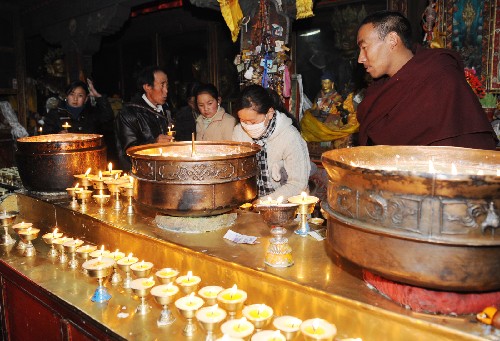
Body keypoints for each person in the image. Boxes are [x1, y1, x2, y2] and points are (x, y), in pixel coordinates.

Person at [356, 11, 497, 150]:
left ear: (392, 40)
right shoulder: (380, 88)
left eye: (364, 47)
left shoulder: (439, 75)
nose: (360, 58)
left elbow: (456, 142)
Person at [232, 84, 311, 200]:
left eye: (253, 122)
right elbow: (236, 172)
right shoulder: (239, 132)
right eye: (243, 121)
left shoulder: (290, 136)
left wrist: (264, 202)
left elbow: (298, 184)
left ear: (269, 113)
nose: (248, 126)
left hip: (286, 203)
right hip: (251, 202)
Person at [115, 66, 174, 170]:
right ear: (147, 87)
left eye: (167, 86)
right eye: (162, 85)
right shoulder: (129, 113)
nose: (166, 91)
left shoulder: (166, 109)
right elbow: (129, 151)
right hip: (140, 173)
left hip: (164, 170)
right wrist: (154, 144)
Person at [43, 79, 114, 134]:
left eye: (80, 95)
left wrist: (98, 96)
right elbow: (46, 134)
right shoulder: (54, 114)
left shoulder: (92, 114)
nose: (75, 99)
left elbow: (108, 118)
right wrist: (57, 136)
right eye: (72, 94)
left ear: (86, 99)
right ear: (67, 96)